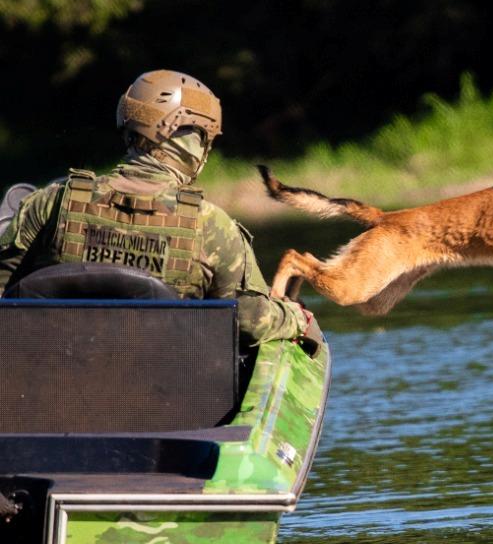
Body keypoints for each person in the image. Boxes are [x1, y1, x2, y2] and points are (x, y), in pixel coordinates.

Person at [0, 70, 310, 344]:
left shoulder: (52, 202)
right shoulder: (212, 226)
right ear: (195, 140)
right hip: (167, 397)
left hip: (45, 388)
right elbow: (249, 319)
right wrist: (293, 317)